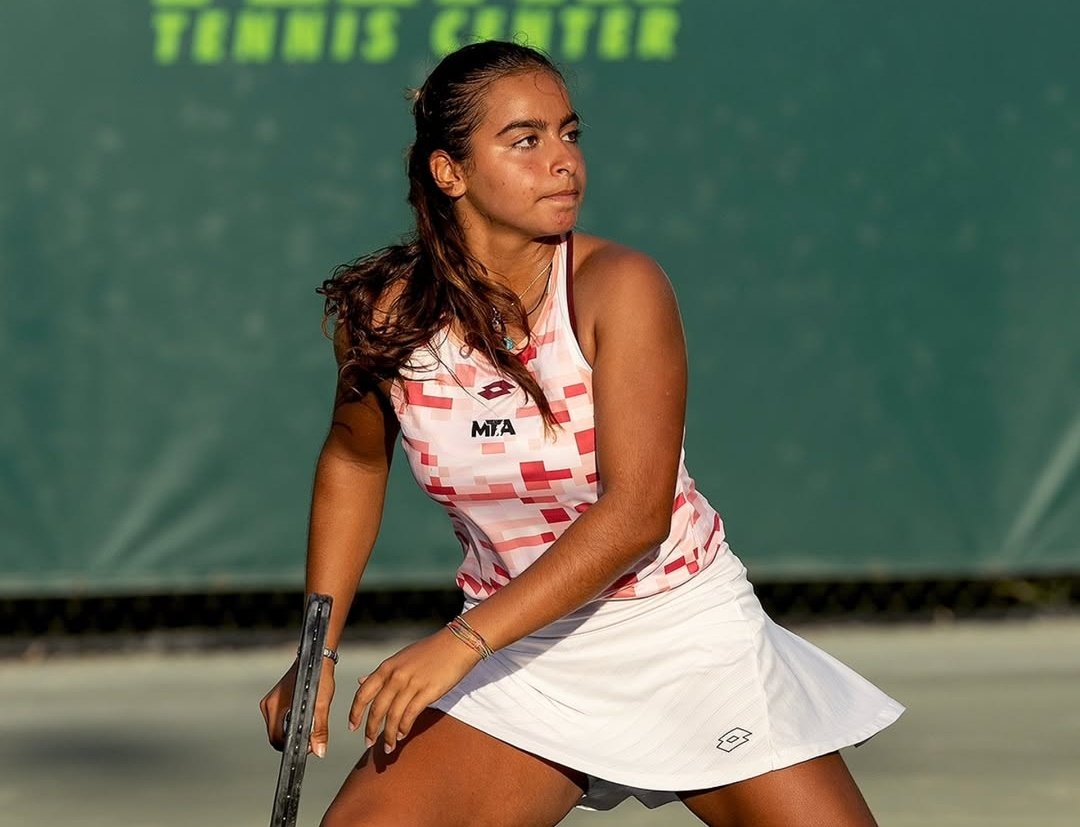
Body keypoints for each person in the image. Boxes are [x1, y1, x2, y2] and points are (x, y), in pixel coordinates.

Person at [259, 40, 904, 827]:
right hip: (520, 653)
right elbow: (355, 461)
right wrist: (317, 646)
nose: (563, 161)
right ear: (448, 172)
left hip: (679, 633)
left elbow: (636, 516)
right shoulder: (385, 319)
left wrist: (460, 641)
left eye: (570, 133)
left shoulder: (620, 288)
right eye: (525, 140)